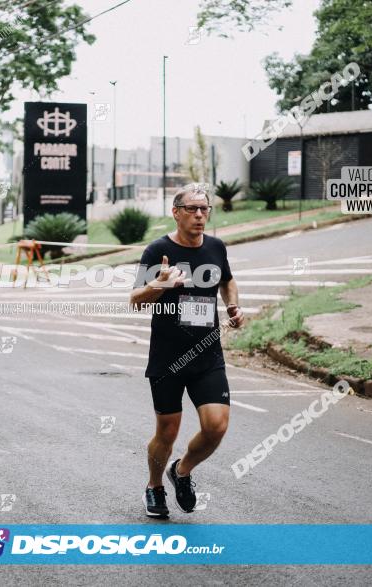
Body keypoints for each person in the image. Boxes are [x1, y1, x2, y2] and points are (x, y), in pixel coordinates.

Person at [129, 183, 245, 519]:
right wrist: (159, 284)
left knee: (217, 425)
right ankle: (154, 486)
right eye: (192, 209)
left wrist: (233, 306)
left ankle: (181, 471)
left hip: (207, 355)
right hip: (167, 358)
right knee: (167, 431)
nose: (199, 215)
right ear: (176, 212)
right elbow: (135, 301)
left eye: (204, 209)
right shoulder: (157, 251)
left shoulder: (216, 247)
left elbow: (227, 281)